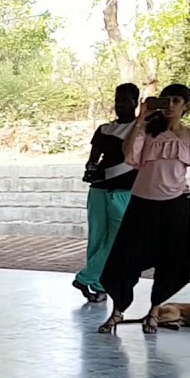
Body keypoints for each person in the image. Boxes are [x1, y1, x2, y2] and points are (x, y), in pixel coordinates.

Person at [98, 83, 190, 334]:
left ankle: (154, 311)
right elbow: (128, 152)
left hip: (175, 207)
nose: (170, 106)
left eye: (176, 101)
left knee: (170, 262)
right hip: (141, 204)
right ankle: (117, 312)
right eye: (166, 100)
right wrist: (141, 119)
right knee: (123, 259)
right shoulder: (149, 131)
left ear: (186, 106)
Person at [73, 83, 141, 303]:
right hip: (99, 190)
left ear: (136, 102)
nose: (120, 104)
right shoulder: (104, 129)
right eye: (117, 99)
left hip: (125, 191)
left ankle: (86, 277)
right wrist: (91, 168)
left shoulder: (142, 128)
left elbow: (178, 102)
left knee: (117, 239)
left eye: (126, 100)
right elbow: (93, 158)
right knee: (97, 239)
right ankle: (98, 285)